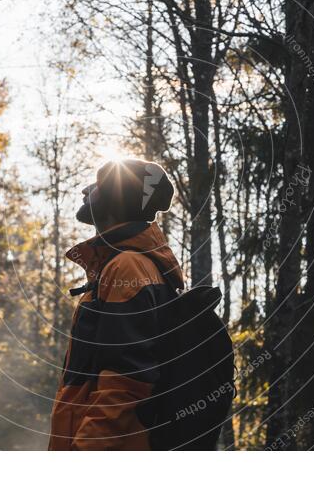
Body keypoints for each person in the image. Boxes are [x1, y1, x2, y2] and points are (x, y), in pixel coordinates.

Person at [48, 158, 183, 450]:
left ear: (118, 199)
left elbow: (125, 383)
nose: (86, 190)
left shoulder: (128, 267)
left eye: (97, 186)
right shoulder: (122, 265)